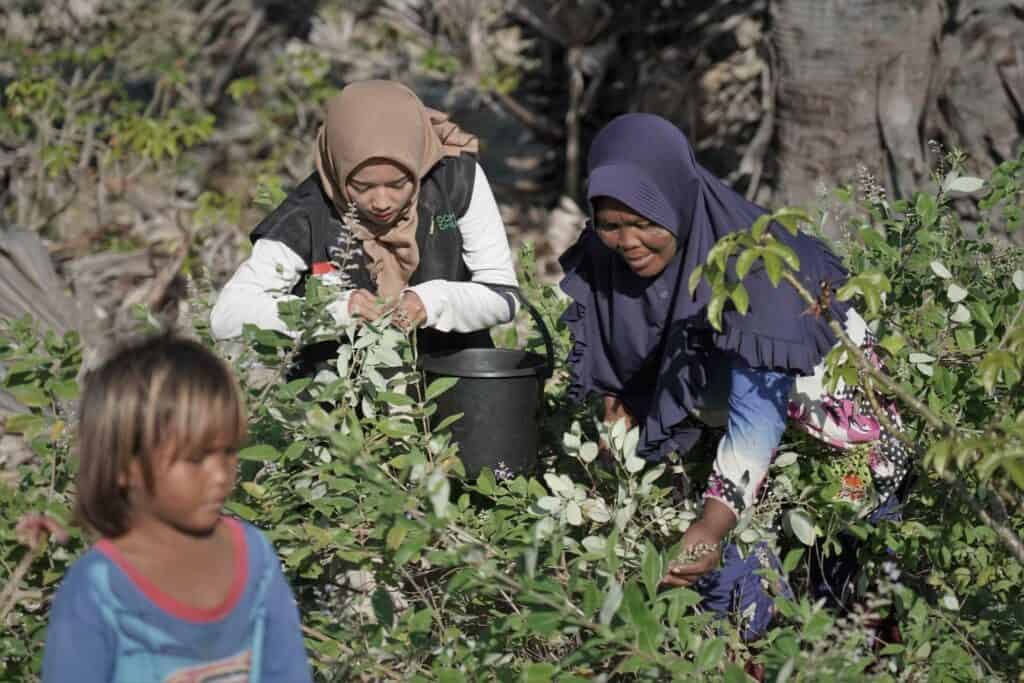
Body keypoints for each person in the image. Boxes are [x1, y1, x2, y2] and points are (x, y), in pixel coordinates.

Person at [558, 113, 913, 637]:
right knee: (741, 600)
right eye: (611, 225)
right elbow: (619, 357)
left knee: (848, 606)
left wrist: (709, 525)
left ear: (678, 203)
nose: (627, 241)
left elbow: (756, 422)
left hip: (842, 443)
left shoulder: (756, 268)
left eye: (645, 223)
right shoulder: (610, 253)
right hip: (730, 437)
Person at [42, 335, 313, 682]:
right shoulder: (96, 592)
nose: (220, 474)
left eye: (228, 451)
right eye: (196, 458)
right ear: (127, 464)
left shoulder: (255, 555)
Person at [210, 80, 519, 360]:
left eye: (399, 184)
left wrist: (431, 302)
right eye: (361, 187)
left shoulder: (455, 182)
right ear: (337, 170)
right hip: (341, 405)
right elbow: (228, 315)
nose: (381, 202)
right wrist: (336, 312)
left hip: (458, 387)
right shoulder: (309, 210)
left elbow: (504, 296)